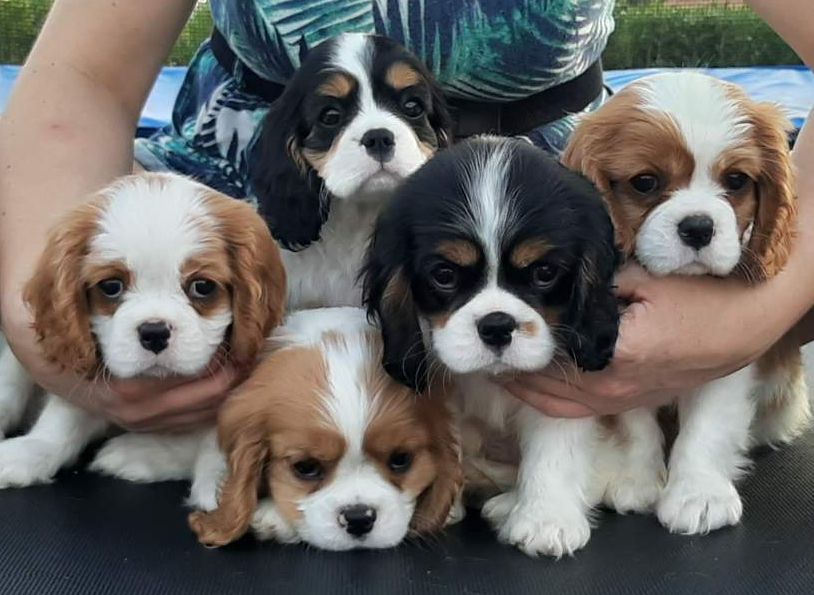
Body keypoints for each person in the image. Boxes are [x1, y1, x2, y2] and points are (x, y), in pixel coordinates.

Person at [0, 0, 811, 431]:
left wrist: (758, 306)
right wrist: (41, 315)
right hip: (242, 223)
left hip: (575, 222)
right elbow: (80, 81)